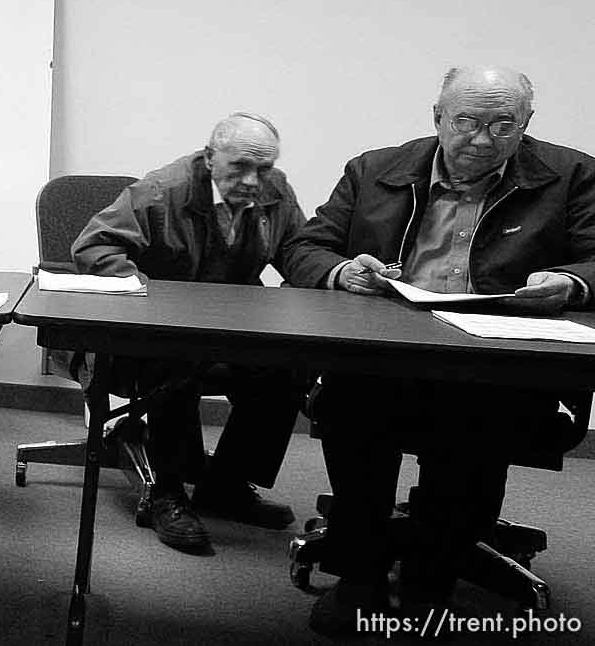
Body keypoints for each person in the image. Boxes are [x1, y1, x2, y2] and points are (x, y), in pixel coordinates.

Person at [281, 67, 595, 634]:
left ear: (527, 123)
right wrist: (341, 269)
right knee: (352, 410)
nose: (481, 139)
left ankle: (431, 584)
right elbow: (307, 246)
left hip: (495, 363)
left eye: (503, 125)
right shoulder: (375, 170)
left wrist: (572, 282)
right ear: (437, 118)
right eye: (467, 122)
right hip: (384, 355)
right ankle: (359, 577)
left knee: (474, 428)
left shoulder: (571, 176)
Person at [69, 113, 313, 552]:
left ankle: (226, 485)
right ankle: (168, 491)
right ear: (209, 157)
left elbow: (296, 248)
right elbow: (95, 245)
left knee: (287, 366)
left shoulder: (275, 192)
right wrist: (152, 299)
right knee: (176, 361)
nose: (254, 181)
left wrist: (330, 274)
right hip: (154, 336)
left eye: (265, 168)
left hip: (232, 329)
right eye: (240, 167)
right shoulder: (164, 190)